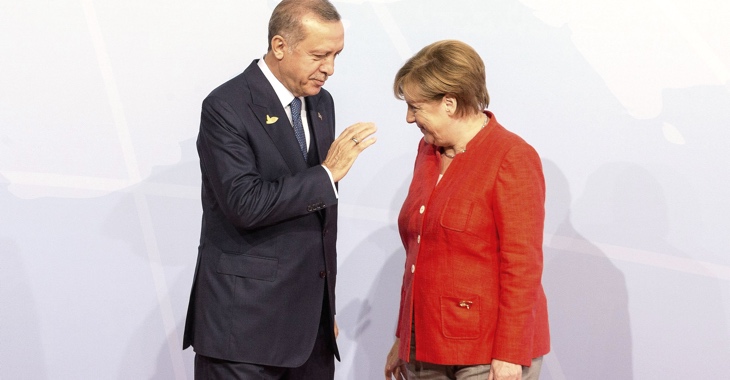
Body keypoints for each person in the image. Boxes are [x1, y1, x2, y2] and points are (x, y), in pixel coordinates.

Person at [182, 0, 377, 378]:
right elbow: (245, 204)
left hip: (310, 336)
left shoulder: (321, 103)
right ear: (280, 46)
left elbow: (317, 223)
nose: (330, 69)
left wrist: (324, 310)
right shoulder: (227, 106)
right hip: (243, 335)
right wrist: (326, 174)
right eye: (319, 55)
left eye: (337, 55)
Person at [383, 40, 549, 380]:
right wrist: (404, 339)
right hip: (425, 346)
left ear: (449, 102)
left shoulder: (511, 157)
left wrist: (509, 354)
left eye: (416, 107)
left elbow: (522, 265)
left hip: (487, 355)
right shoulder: (427, 152)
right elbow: (418, 253)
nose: (409, 117)